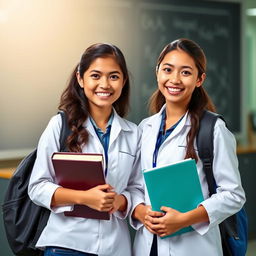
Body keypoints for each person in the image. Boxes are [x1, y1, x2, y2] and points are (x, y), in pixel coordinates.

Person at [131, 38, 246, 256]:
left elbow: (233, 194)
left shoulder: (213, 128)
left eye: (185, 72)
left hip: (194, 247)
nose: (174, 79)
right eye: (167, 70)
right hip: (148, 247)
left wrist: (184, 219)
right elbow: (136, 186)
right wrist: (141, 211)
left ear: (199, 79)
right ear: (157, 72)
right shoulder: (145, 128)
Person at [28, 43, 143, 256]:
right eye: (96, 76)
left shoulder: (133, 134)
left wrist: (120, 201)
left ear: (124, 81)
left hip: (116, 247)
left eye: (114, 77)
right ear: (81, 79)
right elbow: (37, 187)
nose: (105, 84)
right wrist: (84, 198)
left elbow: (138, 188)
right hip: (67, 245)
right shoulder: (60, 125)